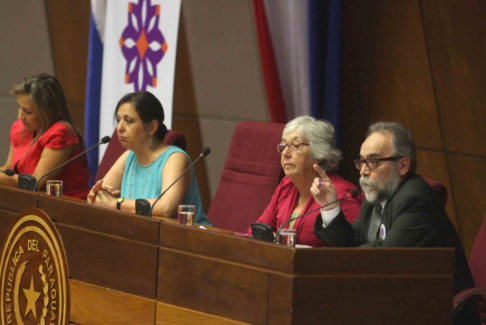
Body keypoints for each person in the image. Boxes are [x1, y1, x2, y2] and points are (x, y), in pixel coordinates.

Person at [313, 121, 478, 324]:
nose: (363, 170)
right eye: (361, 161)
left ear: (403, 165)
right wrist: (329, 205)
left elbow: (387, 258)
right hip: (398, 303)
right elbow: (350, 242)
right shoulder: (375, 198)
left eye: (373, 161)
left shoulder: (416, 200)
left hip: (438, 313)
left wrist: (347, 254)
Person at [87, 91, 211, 225]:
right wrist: (102, 197)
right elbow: (98, 194)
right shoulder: (129, 157)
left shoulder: (175, 159)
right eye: (118, 120)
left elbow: (166, 208)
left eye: (128, 121)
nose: (119, 128)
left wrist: (116, 203)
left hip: (188, 240)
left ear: (152, 127)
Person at [250, 116, 362, 247]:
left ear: (318, 154)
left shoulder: (341, 194)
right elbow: (259, 230)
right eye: (283, 145)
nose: (285, 153)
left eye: (295, 146)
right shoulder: (287, 185)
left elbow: (354, 251)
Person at [0, 73, 89, 199]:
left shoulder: (61, 133)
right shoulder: (20, 127)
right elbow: (8, 170)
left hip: (67, 207)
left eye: (28, 111)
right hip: (30, 202)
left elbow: (36, 182)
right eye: (19, 108)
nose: (20, 116)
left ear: (48, 111)